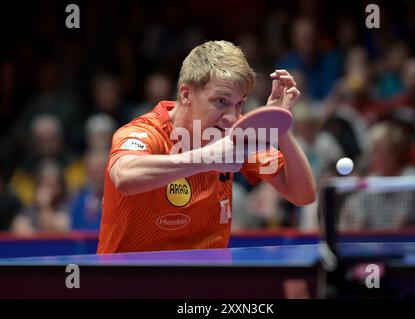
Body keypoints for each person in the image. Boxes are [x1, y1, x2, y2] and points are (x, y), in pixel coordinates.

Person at [97, 40, 316, 253]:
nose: (232, 117)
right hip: (129, 282)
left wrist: (280, 124)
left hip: (205, 281)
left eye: (239, 103)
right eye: (221, 101)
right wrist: (207, 158)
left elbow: (302, 194)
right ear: (186, 94)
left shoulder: (235, 137)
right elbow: (124, 176)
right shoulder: (148, 132)